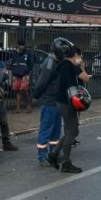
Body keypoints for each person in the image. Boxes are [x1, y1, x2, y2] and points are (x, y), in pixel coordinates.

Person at [48, 44, 90, 174]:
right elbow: (86, 78)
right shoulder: (70, 66)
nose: (81, 58)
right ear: (76, 55)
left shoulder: (62, 65)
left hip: (62, 102)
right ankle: (66, 162)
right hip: (68, 103)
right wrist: (81, 65)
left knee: (71, 131)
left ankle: (54, 154)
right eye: (80, 56)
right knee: (71, 132)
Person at [32, 38, 69, 167]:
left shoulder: (57, 61)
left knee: (56, 130)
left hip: (56, 100)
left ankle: (53, 153)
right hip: (48, 100)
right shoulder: (50, 63)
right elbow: (41, 83)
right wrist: (35, 96)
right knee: (46, 128)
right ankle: (42, 156)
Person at [10, 39, 35, 113]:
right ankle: (18, 108)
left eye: (23, 45)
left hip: (24, 74)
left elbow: (31, 63)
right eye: (20, 45)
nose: (22, 47)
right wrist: (13, 69)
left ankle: (29, 105)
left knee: (24, 90)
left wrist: (26, 70)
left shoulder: (28, 53)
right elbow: (12, 62)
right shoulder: (14, 53)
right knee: (17, 91)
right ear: (17, 45)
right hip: (16, 74)